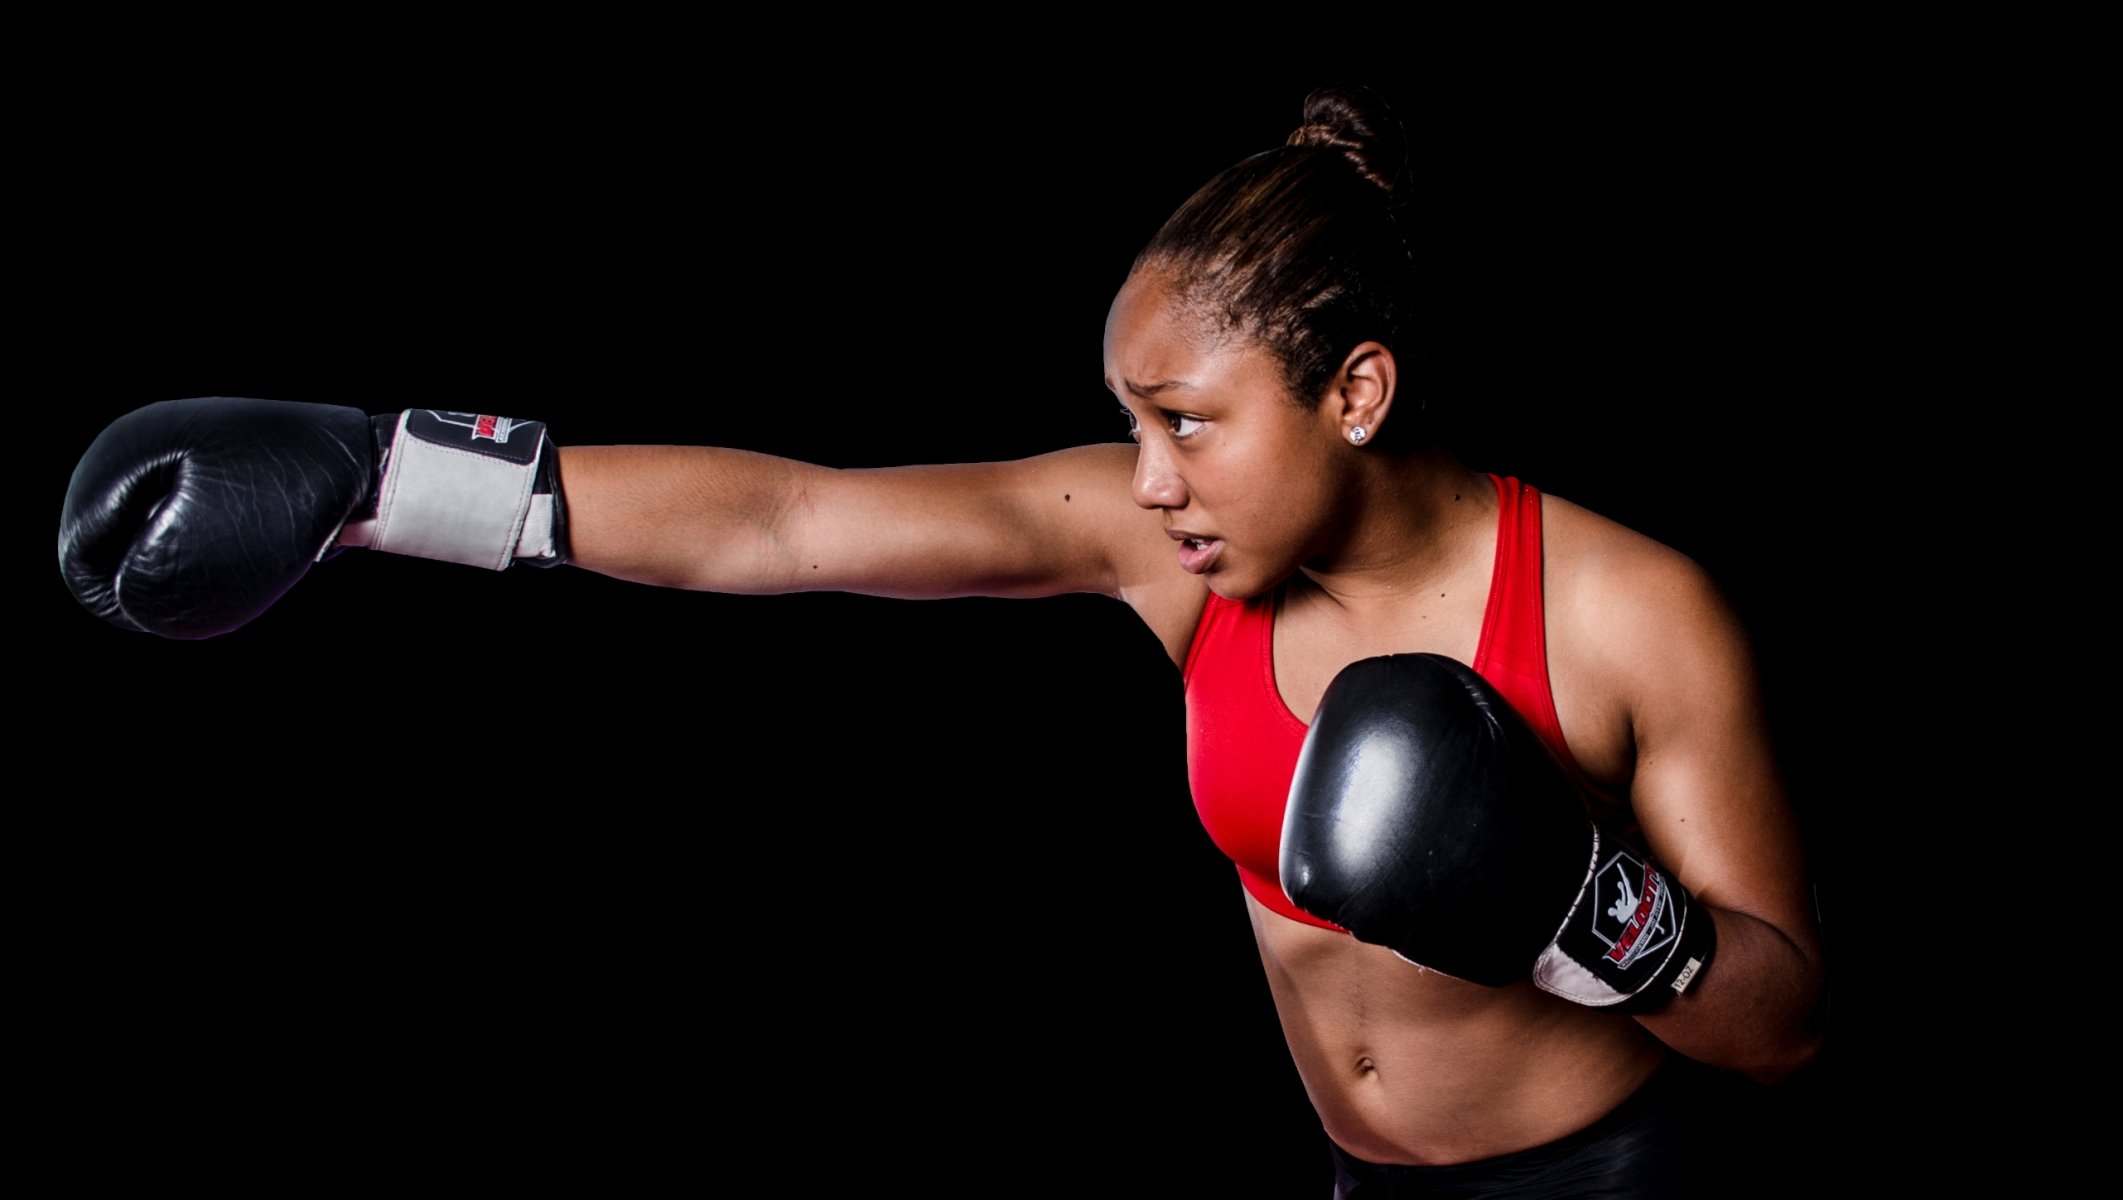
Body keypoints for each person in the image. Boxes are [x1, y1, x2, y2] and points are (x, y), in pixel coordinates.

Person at [57, 83, 1824, 1195]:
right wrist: (383, 477)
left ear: (1354, 391)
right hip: (1360, 1190)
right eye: (1129, 424)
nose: (1148, 478)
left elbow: (1786, 1029)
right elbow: (790, 521)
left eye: (1189, 423)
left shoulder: (1624, 610)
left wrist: (1595, 909)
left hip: (1616, 1188)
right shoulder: (1172, 553)